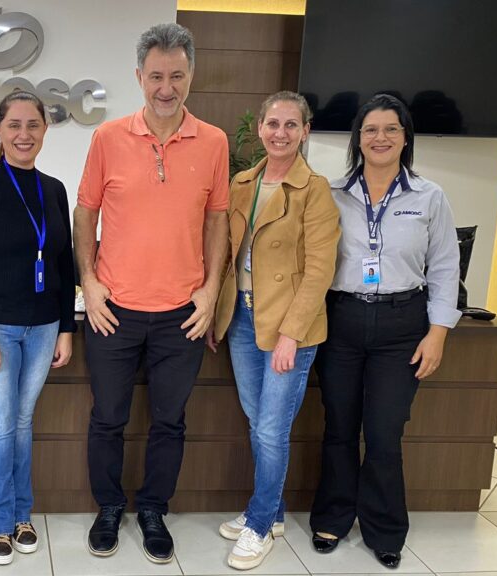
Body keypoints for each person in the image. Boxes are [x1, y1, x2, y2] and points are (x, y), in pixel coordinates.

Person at [74, 23, 229, 564]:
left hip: (182, 313)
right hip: (113, 310)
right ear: (139, 76)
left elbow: (217, 219)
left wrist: (210, 291)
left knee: (169, 421)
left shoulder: (214, 142)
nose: (167, 88)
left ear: (192, 75)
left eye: (177, 76)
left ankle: (154, 510)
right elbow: (85, 213)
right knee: (107, 418)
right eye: (157, 76)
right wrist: (90, 283)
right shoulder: (107, 137)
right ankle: (109, 506)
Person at [309, 94, 460, 569]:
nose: (380, 137)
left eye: (391, 129)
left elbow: (445, 267)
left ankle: (385, 529)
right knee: (338, 426)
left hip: (402, 325)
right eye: (371, 129)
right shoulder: (331, 193)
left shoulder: (429, 196)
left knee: (383, 431)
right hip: (342, 320)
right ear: (358, 138)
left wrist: (438, 332)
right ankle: (333, 517)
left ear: (405, 137)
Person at [208, 91, 340, 570]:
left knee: (271, 428)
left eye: (290, 125)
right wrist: (218, 315)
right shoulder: (243, 181)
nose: (280, 133)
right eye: (272, 124)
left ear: (305, 131)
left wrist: (292, 334)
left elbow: (320, 270)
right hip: (243, 318)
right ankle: (275, 511)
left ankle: (260, 524)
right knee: (257, 419)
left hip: (289, 326)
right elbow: (227, 256)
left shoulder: (316, 190)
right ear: (260, 128)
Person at [0, 90, 76, 566]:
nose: (24, 134)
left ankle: (23, 514)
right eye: (14, 125)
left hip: (44, 327)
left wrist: (65, 329)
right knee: (2, 426)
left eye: (33, 125)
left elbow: (63, 264)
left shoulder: (54, 189)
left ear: (45, 130)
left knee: (23, 423)